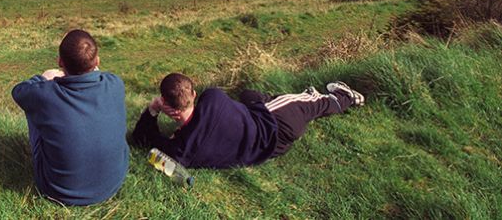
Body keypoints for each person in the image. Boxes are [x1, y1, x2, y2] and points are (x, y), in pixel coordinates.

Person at [132, 73, 364, 169]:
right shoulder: (212, 96)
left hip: (273, 148)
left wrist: (153, 110)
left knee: (250, 97)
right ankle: (348, 96)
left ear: (165, 103)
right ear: (193, 94)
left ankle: (273, 99)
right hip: (275, 123)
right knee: (315, 102)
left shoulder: (181, 152)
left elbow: (141, 137)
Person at [11, 29, 129, 206]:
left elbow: (18, 92)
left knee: (33, 105)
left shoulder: (45, 95)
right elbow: (99, 74)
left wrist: (44, 77)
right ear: (97, 61)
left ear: (60, 62)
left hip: (58, 190)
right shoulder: (115, 83)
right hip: (113, 182)